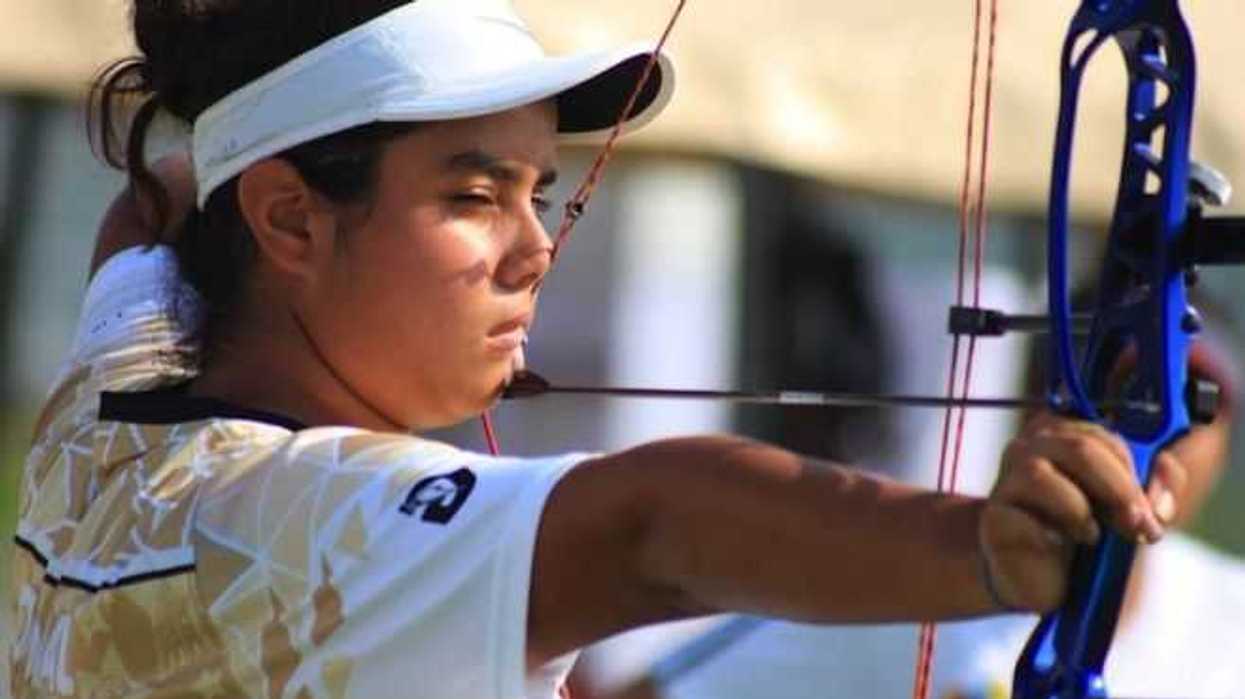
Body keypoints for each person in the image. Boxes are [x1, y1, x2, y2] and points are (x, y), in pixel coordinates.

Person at [6, 2, 1184, 698]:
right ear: (289, 219)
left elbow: (152, 214)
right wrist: (977, 545)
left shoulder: (111, 395)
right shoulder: (321, 534)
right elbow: (654, 521)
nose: (534, 251)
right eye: (473, 195)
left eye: (541, 195)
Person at [580, 313, 1244, 699]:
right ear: (1038, 406)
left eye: (1194, 397)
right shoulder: (909, 570)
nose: (1159, 424)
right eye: (1120, 385)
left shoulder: (1231, 609)